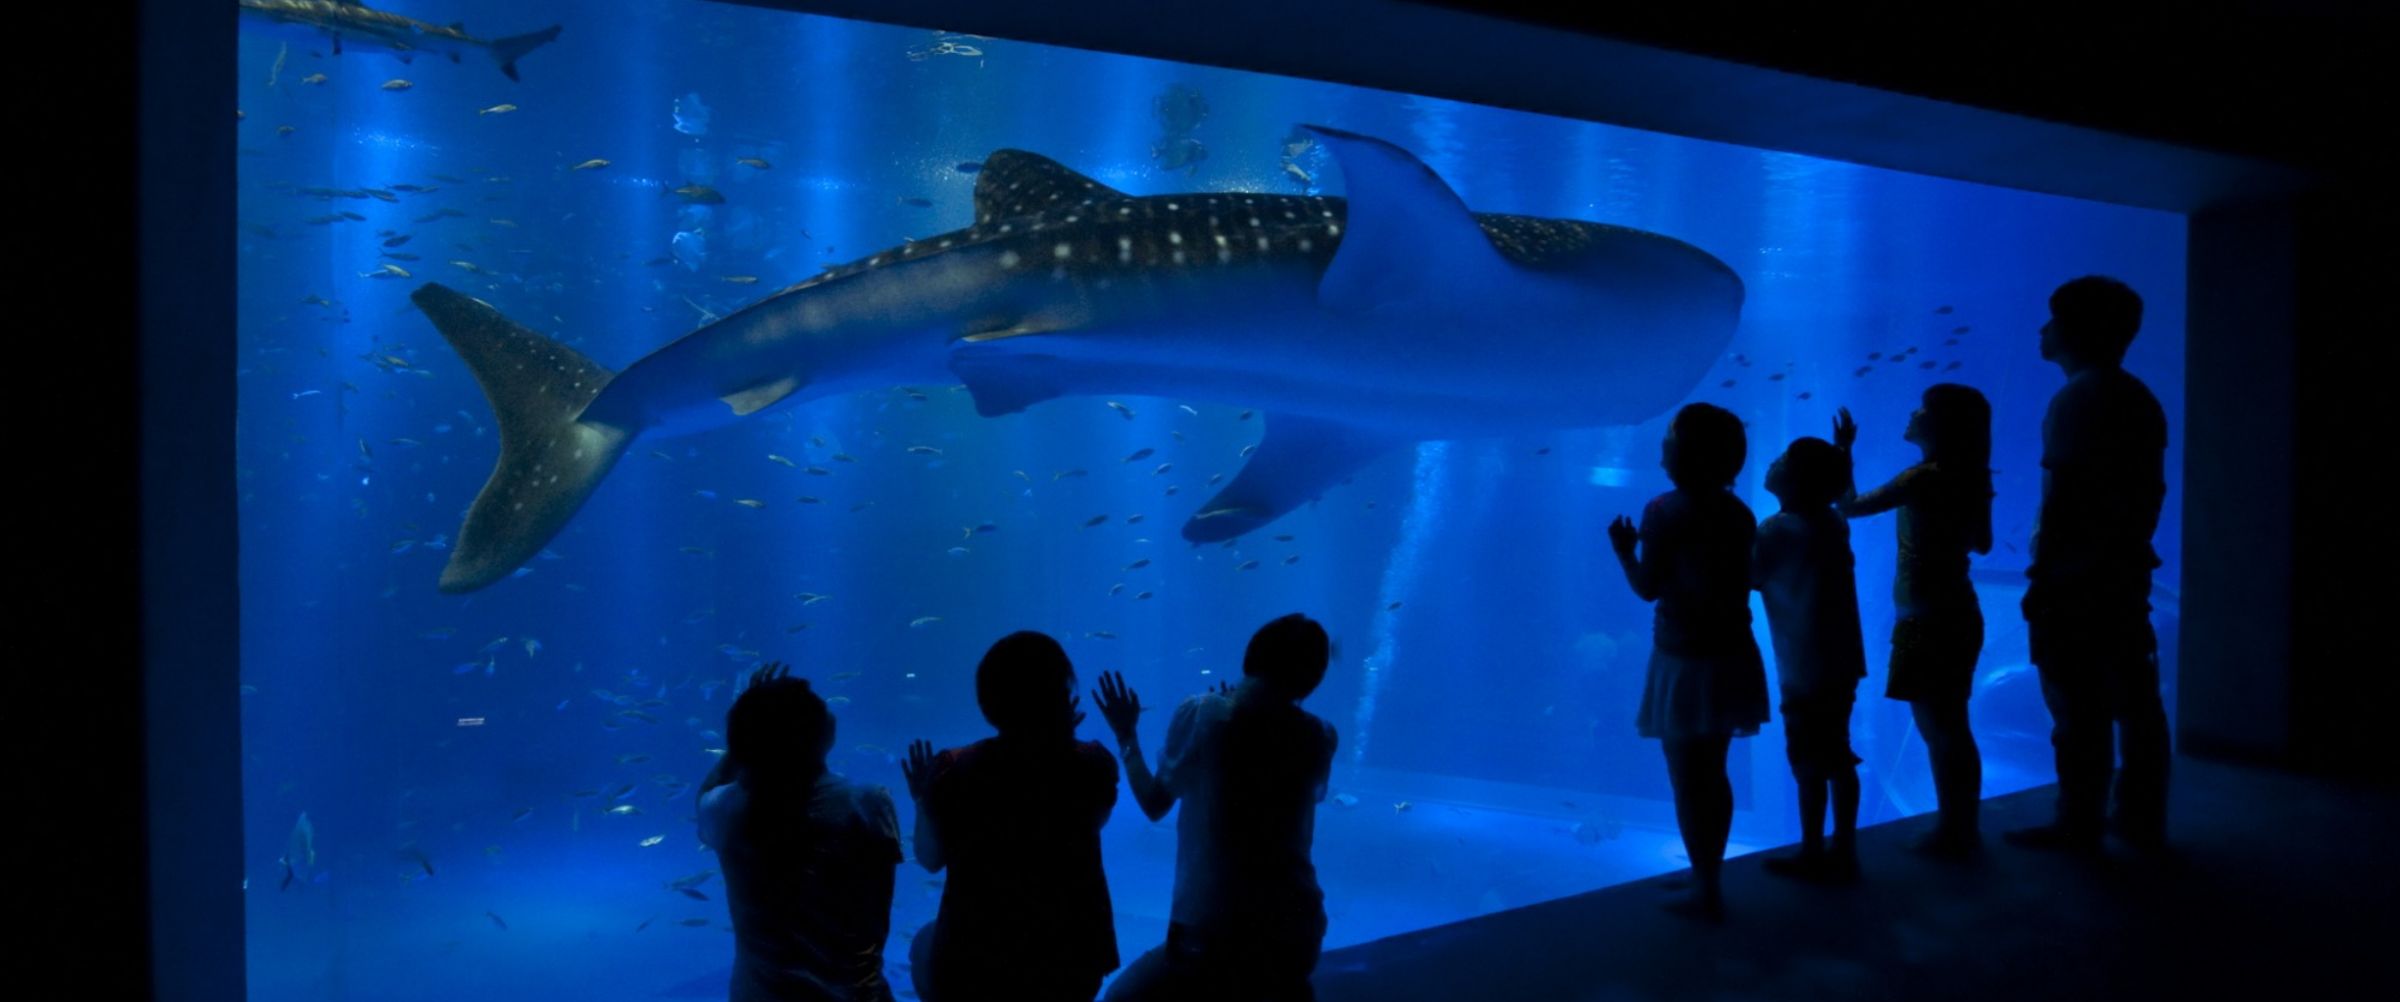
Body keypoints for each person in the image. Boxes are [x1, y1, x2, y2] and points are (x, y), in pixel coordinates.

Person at [2005, 276, 2172, 856]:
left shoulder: (2077, 398)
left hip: (2077, 582)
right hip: (2123, 573)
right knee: (2136, 703)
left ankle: (2078, 824)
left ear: (2076, 329)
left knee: (2077, 707)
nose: (2042, 329)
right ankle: (2138, 818)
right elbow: (2148, 492)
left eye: (2051, 318)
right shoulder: (2136, 396)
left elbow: (2066, 499)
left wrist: (2044, 576)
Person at [1094, 613, 1339, 1002]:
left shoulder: (1202, 714)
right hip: (1298, 936)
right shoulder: (1320, 736)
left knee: (1120, 998)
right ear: (1312, 677)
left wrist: (1126, 735)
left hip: (1210, 939)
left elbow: (1155, 803)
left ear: (1252, 656)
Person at [1607, 403, 1771, 921]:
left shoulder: (1664, 511)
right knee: (1714, 774)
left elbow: (1647, 587)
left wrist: (1624, 552)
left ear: (1685, 456)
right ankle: (1708, 875)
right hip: (1731, 655)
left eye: (1667, 449)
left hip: (1683, 659)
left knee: (1687, 778)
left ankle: (1707, 890)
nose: (1660, 460)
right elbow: (1748, 579)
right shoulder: (1739, 512)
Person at [900, 632, 1121, 1002]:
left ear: (988, 700)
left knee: (923, 942)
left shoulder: (953, 769)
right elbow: (1093, 823)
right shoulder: (1094, 764)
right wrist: (1062, 745)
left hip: (975, 963)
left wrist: (922, 800)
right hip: (1071, 963)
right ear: (1062, 695)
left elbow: (929, 858)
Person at [1835, 386, 1997, 860]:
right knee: (1952, 727)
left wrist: (1844, 451)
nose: (1913, 410)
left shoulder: (1921, 478)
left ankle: (1956, 831)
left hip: (1924, 620)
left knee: (1939, 729)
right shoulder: (1972, 476)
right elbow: (1983, 543)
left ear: (1942, 426)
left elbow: (1849, 506)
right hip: (1959, 610)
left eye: (1924, 408)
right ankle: (1960, 825)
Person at [696, 662, 903, 1002]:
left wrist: (744, 735)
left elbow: (705, 798)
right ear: (814, 732)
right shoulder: (867, 804)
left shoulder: (728, 811)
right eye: (818, 704)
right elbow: (876, 914)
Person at [1752, 432, 1868, 882]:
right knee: (1837, 752)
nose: (1773, 461)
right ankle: (1843, 846)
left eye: (1782, 458)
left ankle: (1812, 851)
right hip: (1841, 658)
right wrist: (1844, 456)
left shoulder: (1779, 529)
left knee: (1807, 758)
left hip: (1803, 664)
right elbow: (1842, 499)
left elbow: (1748, 574)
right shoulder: (1832, 523)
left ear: (1796, 479)